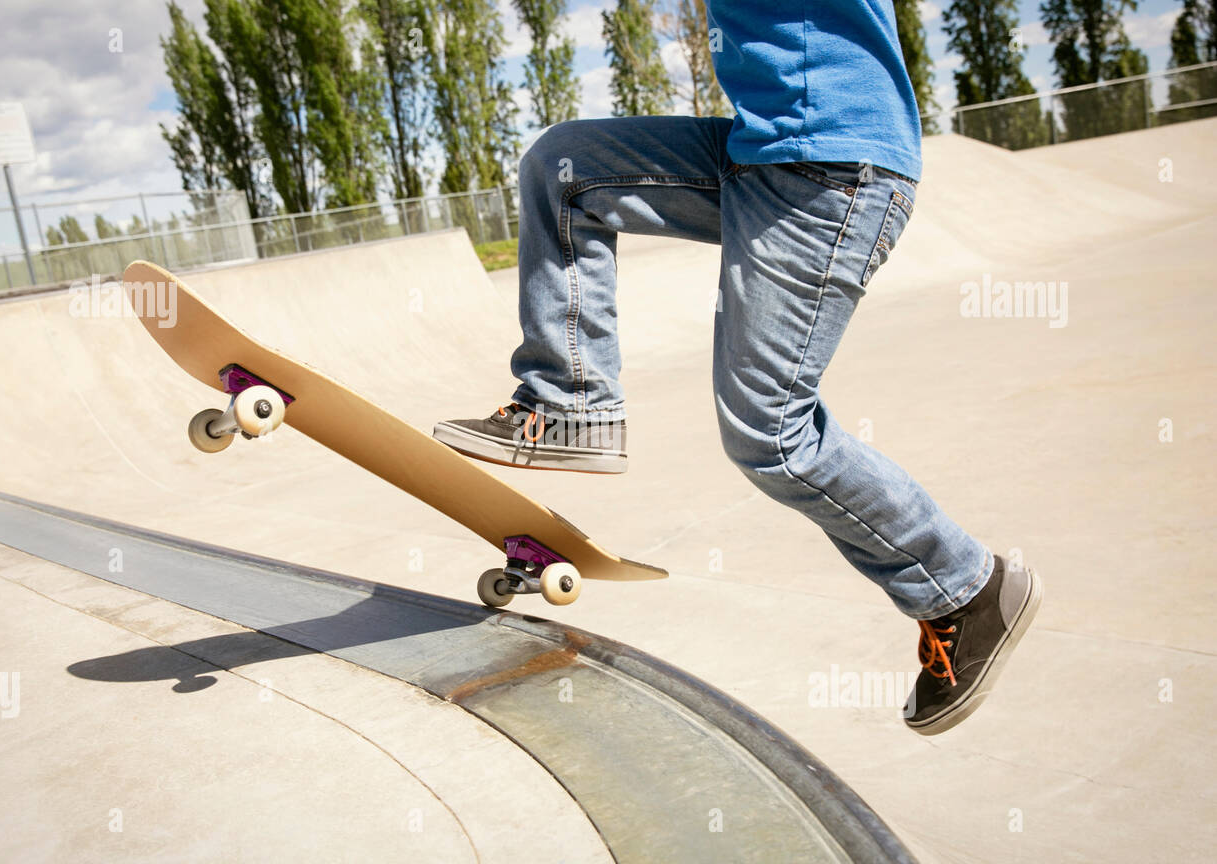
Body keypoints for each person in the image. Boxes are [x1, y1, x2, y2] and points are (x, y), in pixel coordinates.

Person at [434, 0, 1041, 734]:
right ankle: (571, 404)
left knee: (772, 438)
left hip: (833, 172)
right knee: (564, 169)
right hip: (758, 154)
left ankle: (967, 587)